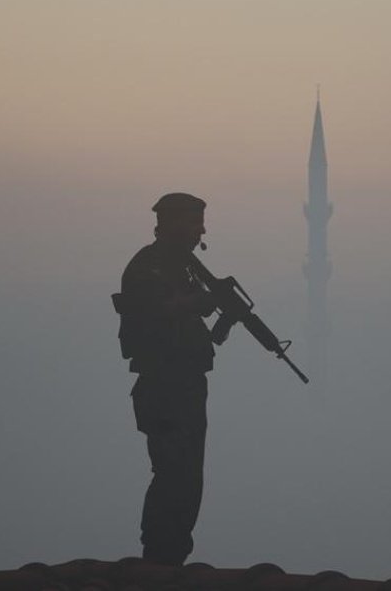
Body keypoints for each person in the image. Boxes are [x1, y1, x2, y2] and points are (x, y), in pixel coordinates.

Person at [115, 192, 235, 565]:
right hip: (164, 385)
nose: (201, 230)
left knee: (188, 476)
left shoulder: (184, 268)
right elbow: (153, 310)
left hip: (185, 383)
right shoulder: (148, 266)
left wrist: (226, 313)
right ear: (173, 224)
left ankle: (172, 557)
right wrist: (199, 302)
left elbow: (199, 330)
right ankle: (160, 559)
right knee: (173, 473)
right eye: (194, 222)